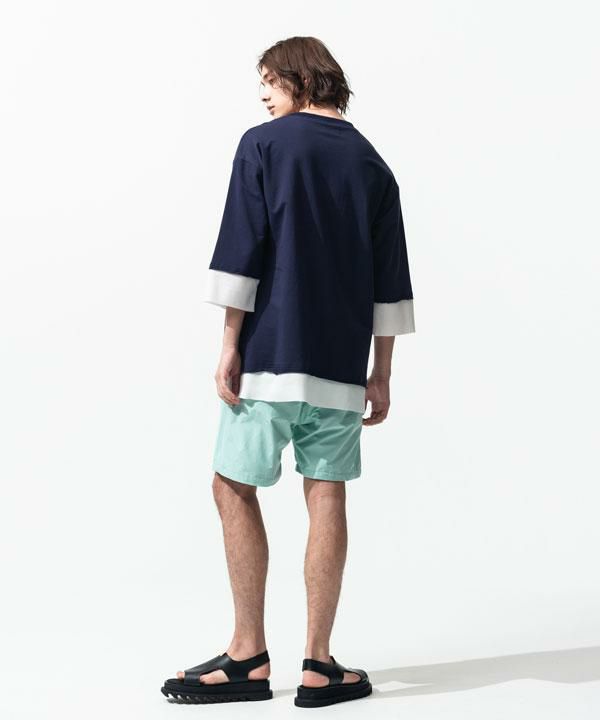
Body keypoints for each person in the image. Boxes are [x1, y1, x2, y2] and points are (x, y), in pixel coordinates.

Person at [161, 35, 415, 708]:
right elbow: (390, 279)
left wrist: (228, 344)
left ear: (298, 79)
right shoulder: (373, 163)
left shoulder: (264, 145)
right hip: (341, 368)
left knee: (231, 484)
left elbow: (242, 249)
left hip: (269, 358)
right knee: (326, 492)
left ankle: (248, 654)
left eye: (268, 83)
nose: (263, 97)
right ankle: (318, 665)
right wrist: (382, 371)